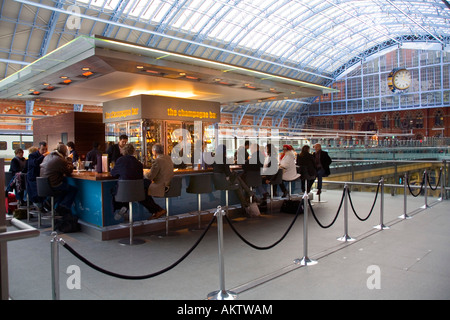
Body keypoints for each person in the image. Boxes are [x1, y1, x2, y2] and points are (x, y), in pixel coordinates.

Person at [111, 143, 167, 220]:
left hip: (123, 192)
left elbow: (113, 174)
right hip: (138, 192)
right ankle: (156, 210)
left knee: (114, 190)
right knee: (143, 193)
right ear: (133, 151)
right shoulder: (138, 164)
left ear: (123, 151)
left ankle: (122, 208)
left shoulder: (120, 160)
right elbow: (141, 177)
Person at [40, 143, 78, 215]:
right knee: (73, 189)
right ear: (64, 152)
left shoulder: (48, 157)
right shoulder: (59, 159)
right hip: (53, 185)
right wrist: (69, 159)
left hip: (44, 184)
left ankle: (49, 203)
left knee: (63, 189)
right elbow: (68, 171)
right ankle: (62, 207)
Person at [213, 144, 254, 209]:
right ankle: (247, 198)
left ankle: (245, 202)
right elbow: (228, 173)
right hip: (225, 182)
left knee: (238, 182)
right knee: (238, 182)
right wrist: (231, 171)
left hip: (218, 183)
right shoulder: (224, 159)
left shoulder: (214, 159)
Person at [26, 141, 48, 211]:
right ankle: (39, 205)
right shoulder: (32, 156)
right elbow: (35, 163)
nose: (44, 151)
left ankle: (44, 205)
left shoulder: (46, 156)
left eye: (46, 149)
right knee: (38, 194)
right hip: (33, 178)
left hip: (42, 178)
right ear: (39, 149)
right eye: (43, 149)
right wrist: (43, 156)